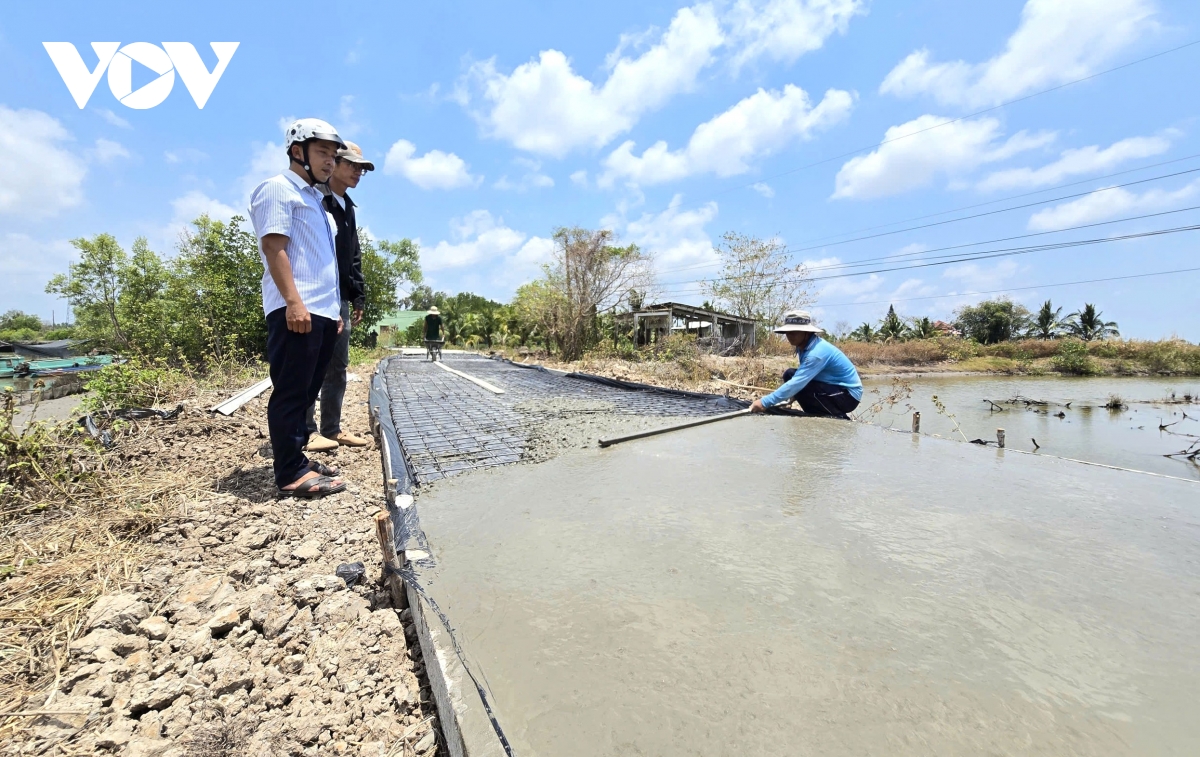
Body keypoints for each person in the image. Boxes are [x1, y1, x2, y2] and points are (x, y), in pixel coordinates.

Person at [248, 118, 348, 498]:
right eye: (322, 152)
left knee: (307, 392)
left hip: (321, 312)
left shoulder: (317, 201)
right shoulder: (277, 189)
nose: (329, 161)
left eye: (332, 154)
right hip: (296, 308)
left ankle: (298, 459)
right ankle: (289, 472)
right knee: (291, 391)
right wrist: (294, 302)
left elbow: (322, 261)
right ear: (297, 151)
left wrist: (333, 310)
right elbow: (275, 248)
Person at [304, 141, 374, 452]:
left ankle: (331, 429)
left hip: (339, 298)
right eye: (353, 165)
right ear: (335, 163)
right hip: (314, 294)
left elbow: (352, 256)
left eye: (362, 168)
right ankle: (306, 430)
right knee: (309, 363)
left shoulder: (347, 207)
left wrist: (357, 295)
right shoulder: (315, 199)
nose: (358, 172)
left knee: (337, 364)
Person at [749, 310, 862, 418]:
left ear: (806, 333)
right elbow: (800, 377)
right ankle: (814, 412)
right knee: (789, 374)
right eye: (788, 332)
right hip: (832, 387)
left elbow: (797, 383)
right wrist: (793, 395)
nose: (789, 336)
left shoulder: (816, 353)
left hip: (848, 395)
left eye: (794, 332)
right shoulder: (803, 346)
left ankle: (836, 416)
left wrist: (764, 402)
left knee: (799, 384)